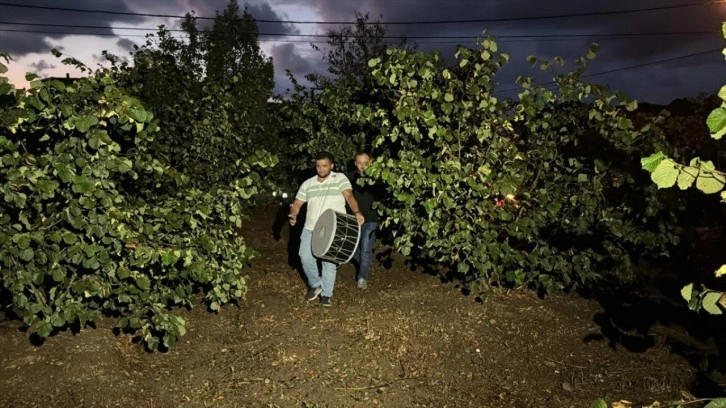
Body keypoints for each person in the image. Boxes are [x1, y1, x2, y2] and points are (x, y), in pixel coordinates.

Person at [288, 151, 365, 307]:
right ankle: (316, 284)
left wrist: (356, 211)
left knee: (328, 262)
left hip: (334, 227)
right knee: (304, 257)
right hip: (310, 227)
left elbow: (349, 197)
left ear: (331, 166)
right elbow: (297, 203)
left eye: (325, 166)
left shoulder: (339, 178)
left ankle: (326, 294)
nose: (321, 169)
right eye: (318, 166)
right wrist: (293, 214)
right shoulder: (308, 183)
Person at [347, 151, 380, 290]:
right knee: (350, 248)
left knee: (366, 248)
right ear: (355, 164)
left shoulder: (377, 177)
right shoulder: (350, 177)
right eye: (359, 163)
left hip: (371, 219)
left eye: (365, 163)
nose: (362, 166)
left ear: (370, 163)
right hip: (353, 218)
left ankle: (362, 277)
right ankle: (364, 263)